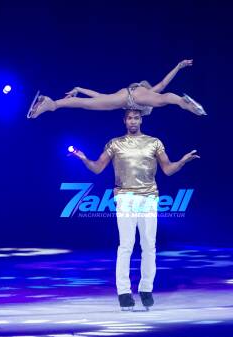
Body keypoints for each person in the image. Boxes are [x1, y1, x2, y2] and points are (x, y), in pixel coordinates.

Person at [69, 109, 200, 311]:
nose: (133, 121)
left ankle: (146, 289)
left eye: (136, 117)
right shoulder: (115, 143)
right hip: (125, 197)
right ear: (125, 120)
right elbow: (97, 168)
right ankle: (124, 292)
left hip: (149, 197)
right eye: (129, 118)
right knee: (126, 245)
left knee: (149, 244)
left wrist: (182, 161)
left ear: (141, 119)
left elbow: (167, 169)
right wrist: (85, 159)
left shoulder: (154, 142)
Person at [27, 59, 207, 119]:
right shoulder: (146, 94)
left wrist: (79, 88)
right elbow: (163, 85)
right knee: (166, 97)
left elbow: (99, 97)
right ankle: (186, 104)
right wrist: (178, 66)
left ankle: (48, 105)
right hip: (129, 98)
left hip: (124, 97)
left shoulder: (132, 95)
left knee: (86, 104)